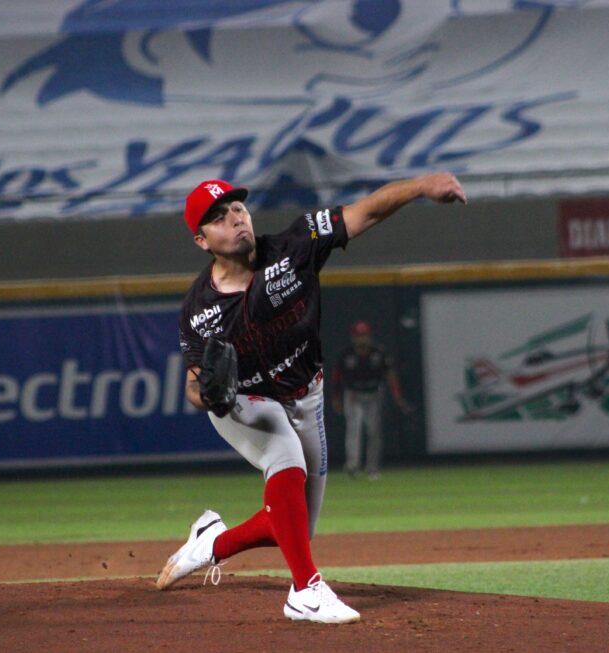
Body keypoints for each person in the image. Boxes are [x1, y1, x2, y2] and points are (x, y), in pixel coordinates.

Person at [158, 173, 466, 624]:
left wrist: (421, 186)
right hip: (248, 402)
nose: (235, 220)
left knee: (297, 526)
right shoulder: (198, 310)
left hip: (307, 394)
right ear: (202, 240)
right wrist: (208, 396)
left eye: (237, 209)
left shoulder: (296, 245)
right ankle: (305, 591)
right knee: (285, 460)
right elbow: (194, 384)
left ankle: (210, 543)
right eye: (219, 219)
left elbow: (367, 213)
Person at [331, 320, 410, 480]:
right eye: (359, 336)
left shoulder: (378, 353)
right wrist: (336, 398)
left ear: (369, 336)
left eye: (364, 335)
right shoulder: (347, 355)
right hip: (353, 395)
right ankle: (353, 464)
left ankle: (372, 467)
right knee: (354, 428)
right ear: (353, 337)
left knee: (374, 431)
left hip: (373, 394)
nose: (362, 339)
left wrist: (397, 395)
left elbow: (390, 374)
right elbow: (336, 377)